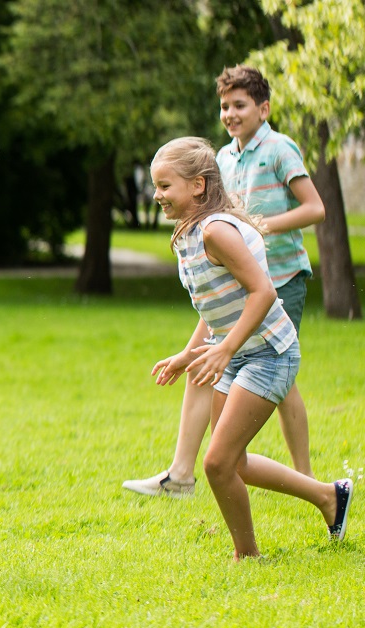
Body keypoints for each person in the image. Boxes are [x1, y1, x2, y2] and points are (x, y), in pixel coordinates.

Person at [123, 65, 325, 497]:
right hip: (232, 275)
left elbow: (315, 209)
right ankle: (181, 472)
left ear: (263, 108)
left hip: (279, 276)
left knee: (279, 376)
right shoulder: (225, 157)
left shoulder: (279, 149)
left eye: (239, 105)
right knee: (214, 363)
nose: (230, 113)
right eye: (224, 106)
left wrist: (254, 228)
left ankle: (308, 480)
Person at [146, 136, 351, 559]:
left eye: (165, 186)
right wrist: (190, 354)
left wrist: (224, 350)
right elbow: (215, 303)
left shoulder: (216, 231)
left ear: (198, 185)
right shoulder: (190, 233)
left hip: (269, 353)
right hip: (240, 354)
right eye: (156, 185)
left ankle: (248, 555)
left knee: (217, 463)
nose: (157, 195)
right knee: (232, 462)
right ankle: (329, 497)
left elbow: (262, 292)